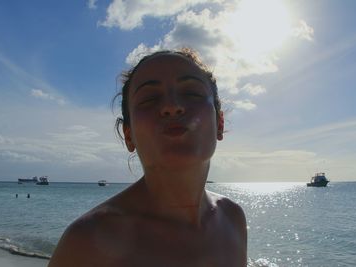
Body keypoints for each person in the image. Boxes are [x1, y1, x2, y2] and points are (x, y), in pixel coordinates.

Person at [48, 48, 247, 267]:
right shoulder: (86, 243)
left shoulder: (232, 219)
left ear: (220, 123)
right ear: (128, 135)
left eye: (191, 93)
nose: (172, 106)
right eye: (150, 98)